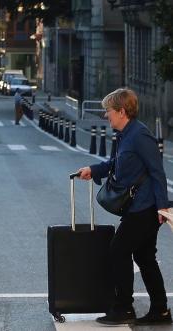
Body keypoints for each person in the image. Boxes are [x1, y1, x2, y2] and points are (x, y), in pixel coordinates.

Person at [75, 88, 171, 326]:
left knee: (118, 251)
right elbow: (115, 163)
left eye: (108, 110)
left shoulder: (140, 135)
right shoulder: (124, 135)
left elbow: (157, 172)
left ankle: (124, 308)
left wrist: (163, 207)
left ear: (121, 111)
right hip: (138, 207)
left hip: (146, 207)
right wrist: (93, 170)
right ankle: (160, 310)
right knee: (145, 256)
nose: (106, 115)